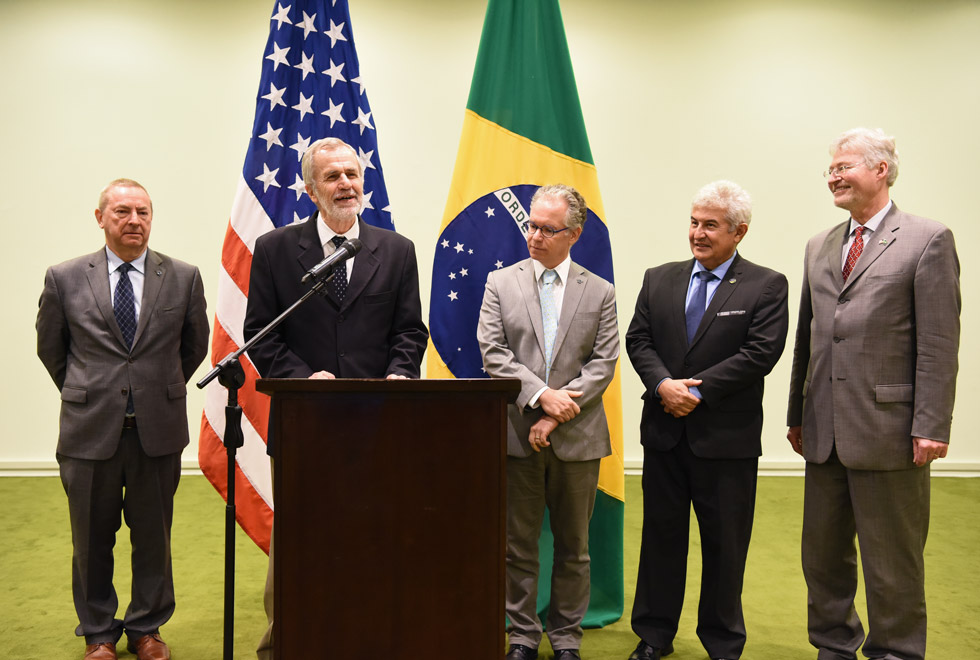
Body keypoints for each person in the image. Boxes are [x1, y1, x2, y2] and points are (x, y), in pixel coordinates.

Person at [244, 137, 428, 659]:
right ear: (310, 189)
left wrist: (399, 375)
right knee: (301, 539)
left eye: (352, 174)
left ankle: (372, 634)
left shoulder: (396, 250)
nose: (346, 184)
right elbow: (262, 332)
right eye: (333, 177)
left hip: (380, 421)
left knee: (377, 533)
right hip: (305, 422)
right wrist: (304, 380)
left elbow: (410, 332)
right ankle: (286, 640)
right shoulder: (277, 249)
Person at [787, 128, 960, 660]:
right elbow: (809, 337)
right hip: (823, 431)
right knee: (822, 557)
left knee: (893, 561)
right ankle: (833, 647)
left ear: (881, 169)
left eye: (844, 166)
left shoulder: (928, 239)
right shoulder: (820, 244)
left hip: (890, 432)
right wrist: (797, 412)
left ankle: (896, 652)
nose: (834, 176)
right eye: (831, 170)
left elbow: (937, 342)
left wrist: (931, 424)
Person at [36, 178, 210, 660]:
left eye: (143, 212)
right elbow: (52, 349)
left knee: (154, 536)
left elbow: (194, 346)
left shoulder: (182, 276)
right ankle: (98, 633)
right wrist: (91, 394)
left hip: (158, 429)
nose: (135, 220)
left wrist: (153, 388)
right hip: (89, 431)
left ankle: (147, 629)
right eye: (123, 212)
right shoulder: (65, 277)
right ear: (100, 218)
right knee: (91, 540)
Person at [625, 180, 788, 660]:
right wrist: (662, 386)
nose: (698, 233)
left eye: (710, 225)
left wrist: (696, 391)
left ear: (739, 231)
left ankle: (721, 642)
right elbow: (639, 341)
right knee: (660, 541)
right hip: (664, 435)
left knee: (725, 547)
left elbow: (760, 353)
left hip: (725, 440)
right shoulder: (660, 278)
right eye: (694, 222)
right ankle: (654, 636)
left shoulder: (766, 284)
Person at [477, 184, 619, 660]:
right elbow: (494, 353)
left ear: (574, 234)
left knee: (574, 547)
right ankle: (521, 635)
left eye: (547, 229)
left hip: (578, 439)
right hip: (519, 435)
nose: (535, 236)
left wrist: (555, 416)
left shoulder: (600, 292)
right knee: (519, 545)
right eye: (531, 226)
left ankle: (565, 637)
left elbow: (602, 364)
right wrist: (541, 398)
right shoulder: (501, 283)